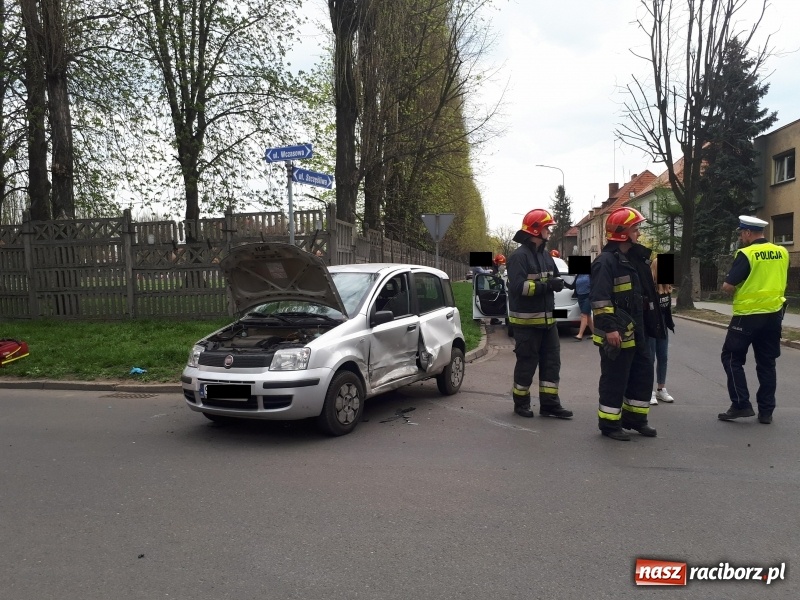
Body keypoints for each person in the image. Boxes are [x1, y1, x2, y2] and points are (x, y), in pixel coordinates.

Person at [590, 207, 665, 441]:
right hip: (617, 332)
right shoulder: (605, 262)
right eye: (635, 228)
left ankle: (636, 419)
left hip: (637, 331)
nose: (639, 233)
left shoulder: (635, 258)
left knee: (641, 375)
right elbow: (600, 299)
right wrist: (610, 328)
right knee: (615, 379)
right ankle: (610, 424)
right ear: (623, 233)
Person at [718, 215, 789, 425]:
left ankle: (741, 404)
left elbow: (728, 286)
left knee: (731, 357)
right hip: (774, 315)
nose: (741, 237)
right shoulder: (782, 252)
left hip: (748, 317)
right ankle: (766, 411)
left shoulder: (747, 254)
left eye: (742, 233)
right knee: (767, 363)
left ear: (748, 233)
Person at [506, 208, 573, 420]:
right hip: (526, 325)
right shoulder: (518, 257)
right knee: (527, 364)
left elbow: (552, 278)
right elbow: (518, 288)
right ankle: (521, 403)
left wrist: (558, 283)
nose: (549, 231)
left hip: (548, 322)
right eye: (547, 227)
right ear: (536, 230)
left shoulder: (545, 255)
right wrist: (547, 285)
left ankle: (550, 405)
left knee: (552, 364)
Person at [649, 256, 676, 404]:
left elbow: (667, 311)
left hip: (663, 328)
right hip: (651, 329)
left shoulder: (667, 287)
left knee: (663, 357)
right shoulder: (650, 287)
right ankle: (649, 391)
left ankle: (661, 389)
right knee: (650, 359)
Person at [572, 273, 593, 341]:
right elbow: (572, 286)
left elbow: (594, 284)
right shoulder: (578, 275)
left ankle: (580, 335)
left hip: (588, 296)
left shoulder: (590, 274)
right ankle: (595, 334)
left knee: (583, 315)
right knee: (588, 316)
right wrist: (563, 282)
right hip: (580, 297)